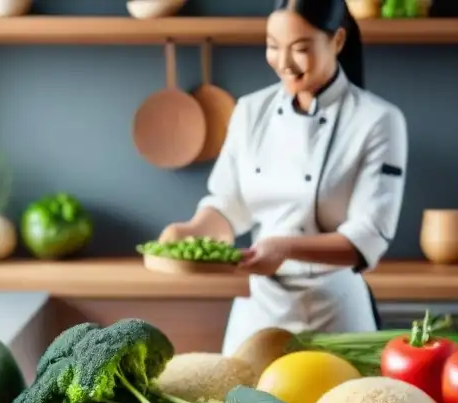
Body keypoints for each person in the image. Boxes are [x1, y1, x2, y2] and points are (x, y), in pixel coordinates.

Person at [159, 0, 408, 356]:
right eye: (273, 47)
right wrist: (190, 231)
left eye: (300, 49)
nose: (283, 62)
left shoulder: (378, 120)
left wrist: (284, 247)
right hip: (259, 309)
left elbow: (369, 237)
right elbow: (228, 207)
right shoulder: (249, 111)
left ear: (337, 40)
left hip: (337, 314)